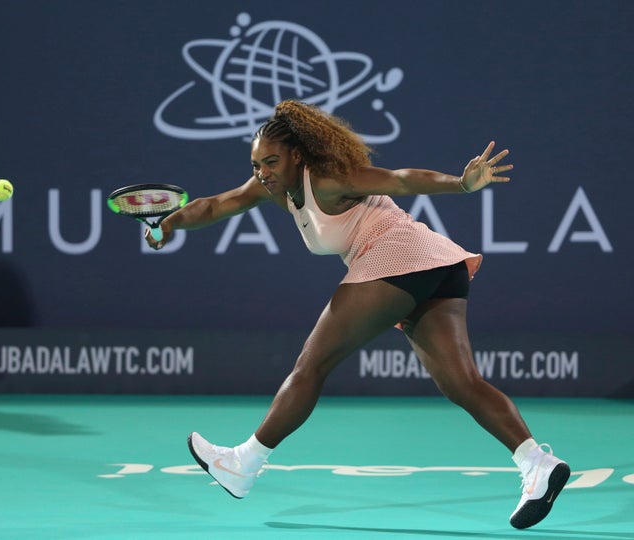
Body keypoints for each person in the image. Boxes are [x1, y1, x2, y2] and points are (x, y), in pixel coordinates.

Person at [145, 100, 570, 529]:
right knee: (461, 383)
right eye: (256, 164)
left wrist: (461, 184)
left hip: (396, 256)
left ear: (297, 155)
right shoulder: (272, 188)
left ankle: (245, 463)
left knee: (311, 365)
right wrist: (168, 225)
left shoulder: (329, 179)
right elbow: (217, 205)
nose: (263, 172)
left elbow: (401, 179)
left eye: (271, 161)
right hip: (437, 265)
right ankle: (537, 462)